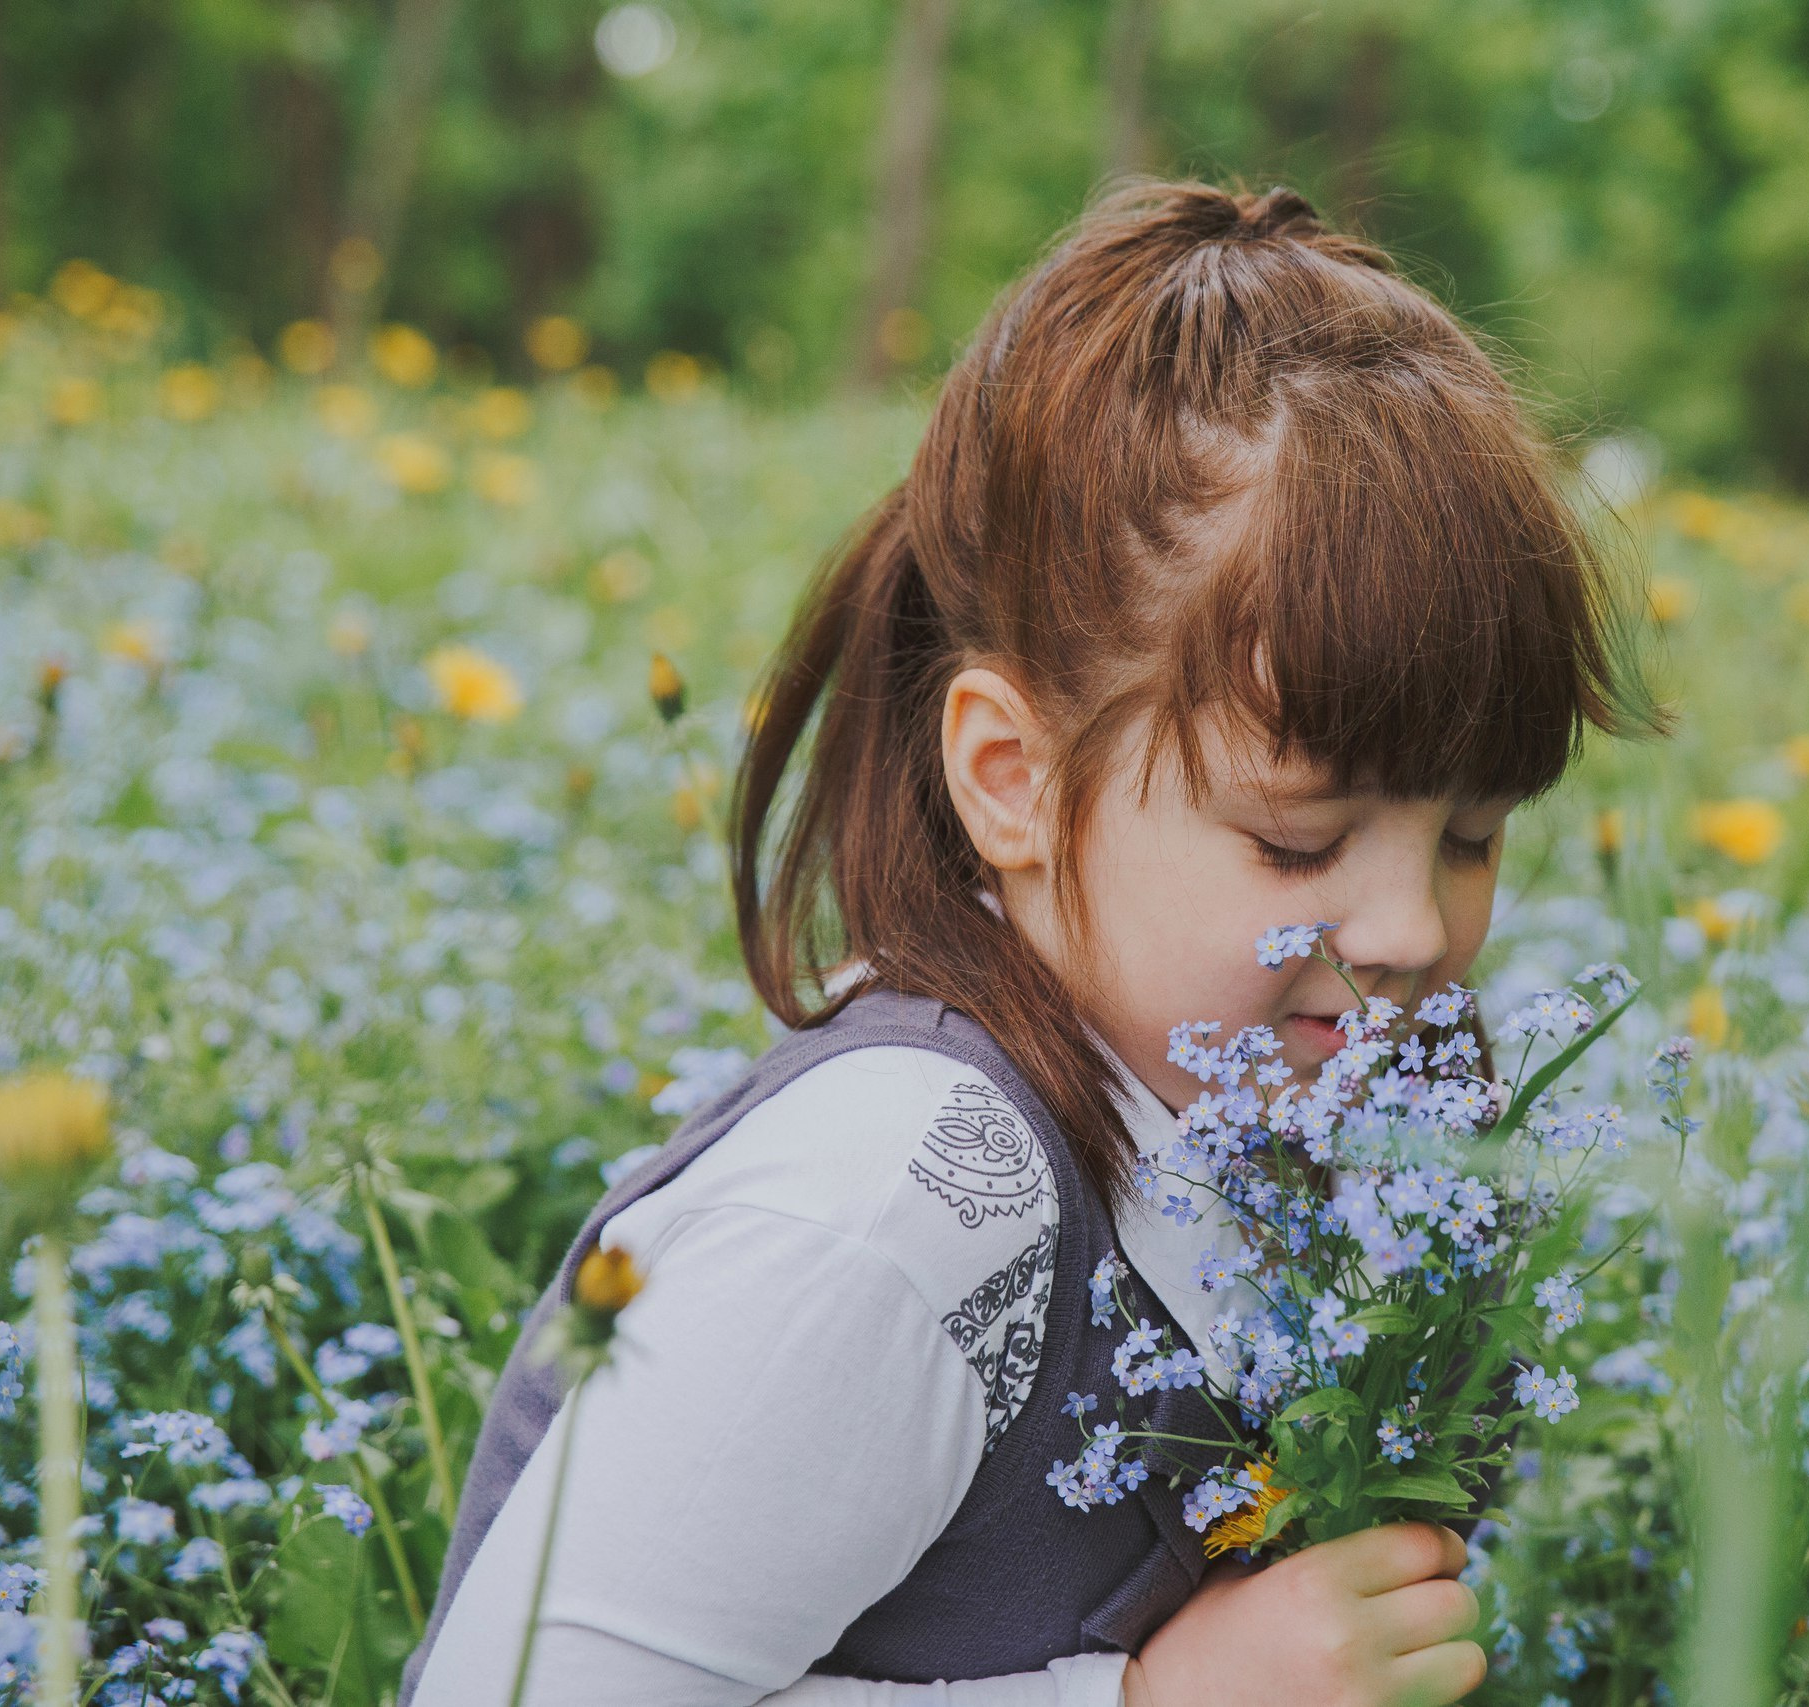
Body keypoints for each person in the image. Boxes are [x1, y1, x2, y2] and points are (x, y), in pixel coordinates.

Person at [404, 179, 1659, 1707]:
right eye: (1298, 840)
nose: (1414, 932)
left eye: (1473, 834)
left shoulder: (1268, 1129)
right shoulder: (903, 1203)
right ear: (1013, 776)